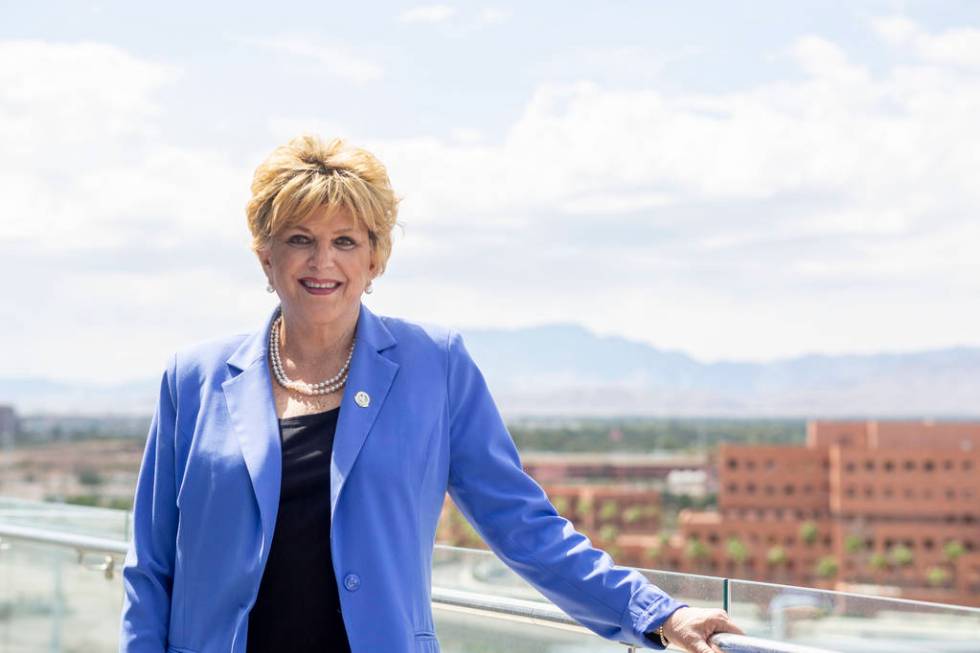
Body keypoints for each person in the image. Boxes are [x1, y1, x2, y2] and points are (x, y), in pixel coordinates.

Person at [119, 134, 743, 653]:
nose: (322, 261)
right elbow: (150, 564)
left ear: (375, 259)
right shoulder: (194, 377)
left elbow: (521, 522)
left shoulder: (435, 366)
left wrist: (657, 613)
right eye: (299, 238)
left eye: (346, 241)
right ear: (266, 255)